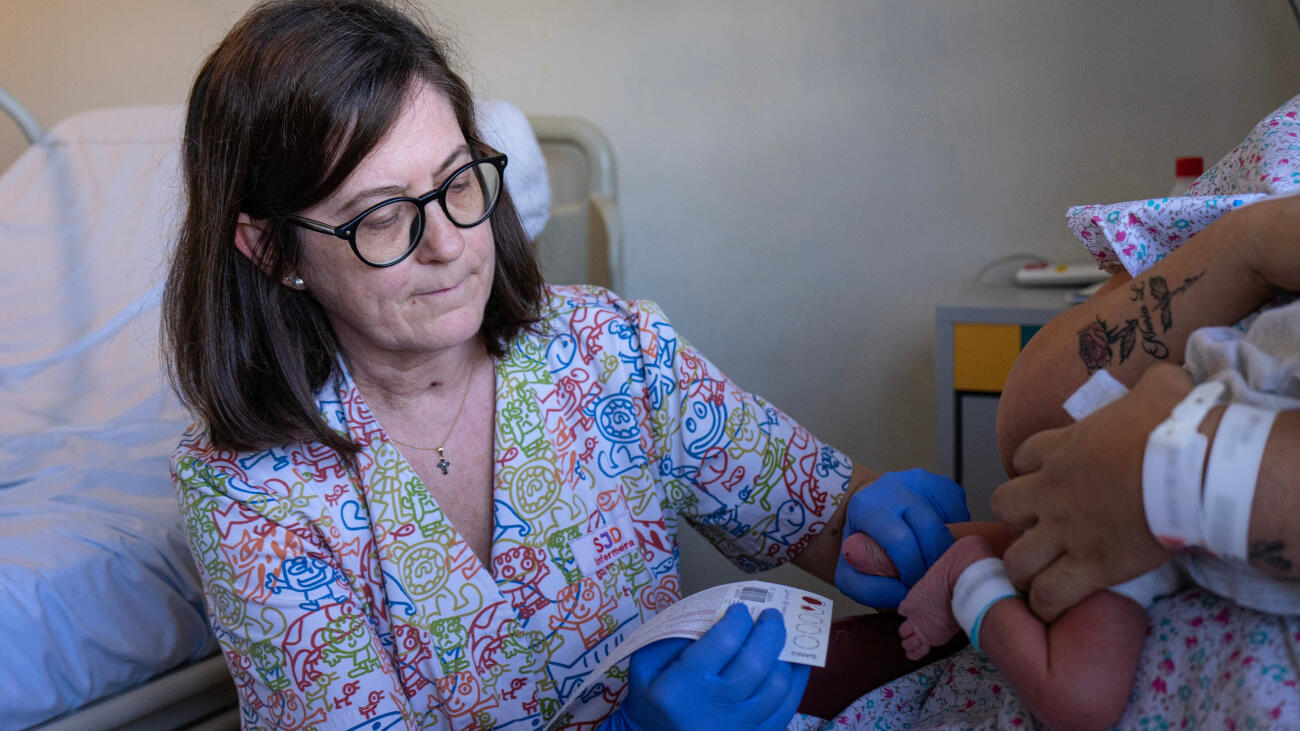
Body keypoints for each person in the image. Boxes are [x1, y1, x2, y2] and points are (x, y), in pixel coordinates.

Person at [162, 1, 963, 728]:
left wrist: (886, 532)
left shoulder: (612, 351)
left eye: (457, 182)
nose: (449, 244)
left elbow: (823, 513)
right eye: (380, 217)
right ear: (271, 250)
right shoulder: (246, 491)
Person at [821, 94, 1300, 729]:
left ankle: (980, 564)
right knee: (1077, 686)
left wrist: (1174, 476)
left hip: (1165, 572)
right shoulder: (1282, 157)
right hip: (1127, 566)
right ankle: (978, 566)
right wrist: (1249, 245)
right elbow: (1051, 425)